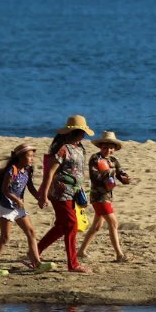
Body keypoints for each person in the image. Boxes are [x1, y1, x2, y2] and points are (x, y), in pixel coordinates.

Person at [35, 114, 94, 274]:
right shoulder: (62, 149)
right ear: (73, 132)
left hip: (74, 192)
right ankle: (73, 264)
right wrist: (43, 195)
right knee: (71, 225)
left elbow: (78, 171)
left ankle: (35, 251)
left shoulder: (80, 147)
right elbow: (50, 173)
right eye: (81, 132)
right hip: (60, 193)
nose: (83, 135)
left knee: (62, 226)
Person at [0, 143, 45, 275]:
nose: (32, 159)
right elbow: (5, 190)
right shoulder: (11, 170)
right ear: (19, 157)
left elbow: (30, 187)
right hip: (6, 207)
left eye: (33, 156)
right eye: (29, 156)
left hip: (19, 208)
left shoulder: (27, 170)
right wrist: (17, 199)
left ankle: (37, 263)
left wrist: (39, 198)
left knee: (31, 232)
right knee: (5, 238)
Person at [79, 131, 133, 262]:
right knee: (113, 223)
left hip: (108, 196)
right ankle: (119, 255)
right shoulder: (95, 158)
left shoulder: (114, 160)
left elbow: (120, 174)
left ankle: (81, 251)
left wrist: (126, 179)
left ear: (114, 149)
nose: (108, 150)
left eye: (111, 148)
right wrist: (110, 172)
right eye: (105, 147)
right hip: (98, 197)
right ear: (100, 147)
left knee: (96, 226)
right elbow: (94, 177)